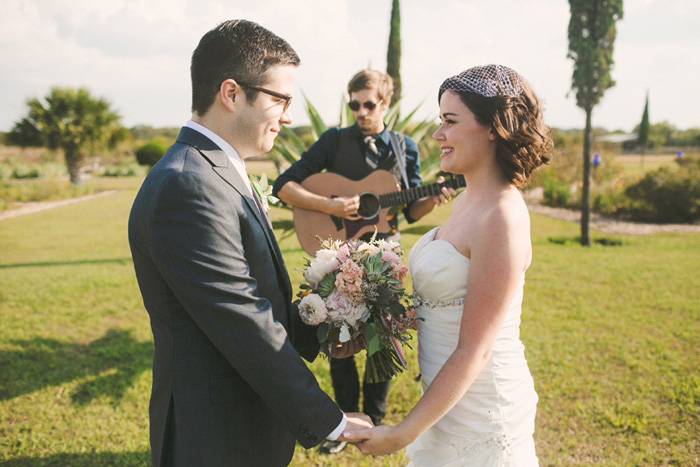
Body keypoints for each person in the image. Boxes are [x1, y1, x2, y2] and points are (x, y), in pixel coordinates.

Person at [128, 20, 372, 467]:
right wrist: (331, 420)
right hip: (216, 437)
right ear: (232, 93)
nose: (289, 116)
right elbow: (241, 321)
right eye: (280, 99)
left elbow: (256, 296)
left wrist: (326, 326)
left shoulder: (216, 168)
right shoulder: (187, 185)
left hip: (245, 423)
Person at [346, 64, 553, 465]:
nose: (438, 134)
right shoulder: (463, 201)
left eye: (450, 121)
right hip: (443, 401)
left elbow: (475, 349)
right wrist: (373, 319)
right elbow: (447, 304)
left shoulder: (502, 217)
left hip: (481, 409)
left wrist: (402, 432)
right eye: (439, 120)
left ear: (494, 128)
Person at [272, 69, 455, 454]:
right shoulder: (333, 141)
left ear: (385, 103)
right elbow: (284, 184)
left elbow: (410, 212)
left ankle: (375, 418)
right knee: (337, 335)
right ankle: (344, 420)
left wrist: (435, 196)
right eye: (354, 104)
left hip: (385, 255)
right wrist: (331, 205)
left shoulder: (403, 147)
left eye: (368, 104)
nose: (359, 111)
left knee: (380, 339)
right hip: (338, 251)